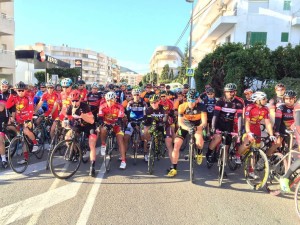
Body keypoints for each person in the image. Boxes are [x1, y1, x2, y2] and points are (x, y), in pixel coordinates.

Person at [167, 89, 207, 177]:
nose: (191, 103)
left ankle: (199, 152)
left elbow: (204, 122)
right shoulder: (182, 106)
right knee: (176, 144)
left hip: (197, 125)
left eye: (193, 100)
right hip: (185, 125)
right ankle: (173, 168)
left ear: (197, 100)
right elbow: (180, 123)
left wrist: (197, 128)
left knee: (199, 141)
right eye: (189, 100)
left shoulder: (202, 107)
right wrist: (188, 129)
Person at [237, 92, 275, 177]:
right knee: (247, 144)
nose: (266, 100)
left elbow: (268, 123)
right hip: (248, 127)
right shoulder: (250, 107)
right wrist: (248, 132)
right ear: (258, 100)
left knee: (255, 150)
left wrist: (271, 134)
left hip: (257, 128)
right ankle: (238, 155)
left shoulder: (265, 109)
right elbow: (246, 121)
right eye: (264, 99)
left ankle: (251, 171)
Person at [206, 83, 243, 164]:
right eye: (227, 92)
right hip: (219, 123)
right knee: (218, 137)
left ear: (235, 92)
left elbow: (240, 117)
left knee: (226, 147)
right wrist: (212, 127)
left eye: (231, 92)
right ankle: (208, 153)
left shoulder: (239, 102)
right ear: (225, 92)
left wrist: (239, 130)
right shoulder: (220, 101)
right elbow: (215, 115)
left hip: (229, 125)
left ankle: (222, 168)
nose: (229, 93)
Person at [65, 90, 97, 177]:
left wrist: (82, 115)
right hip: (78, 125)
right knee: (67, 137)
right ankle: (76, 151)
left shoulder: (85, 106)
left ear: (80, 99)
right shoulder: (69, 107)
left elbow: (92, 120)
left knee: (92, 143)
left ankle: (92, 166)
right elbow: (67, 119)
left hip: (89, 126)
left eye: (76, 100)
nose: (75, 102)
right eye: (73, 101)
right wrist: (66, 124)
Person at [6, 82, 38, 164]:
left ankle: (35, 143)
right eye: (18, 90)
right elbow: (7, 106)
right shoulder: (15, 97)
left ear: (25, 90)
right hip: (18, 119)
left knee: (26, 131)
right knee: (22, 139)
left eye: (22, 90)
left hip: (27, 119)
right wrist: (11, 95)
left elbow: (31, 109)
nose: (20, 92)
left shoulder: (28, 97)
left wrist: (28, 120)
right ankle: (26, 158)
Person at [98, 91, 126, 169]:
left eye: (111, 100)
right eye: (108, 100)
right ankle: (103, 144)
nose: (110, 102)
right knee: (103, 129)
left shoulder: (119, 106)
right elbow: (100, 118)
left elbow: (120, 118)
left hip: (117, 125)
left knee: (120, 140)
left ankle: (123, 161)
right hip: (107, 123)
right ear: (106, 100)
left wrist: (117, 123)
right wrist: (102, 122)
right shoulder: (102, 106)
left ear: (115, 100)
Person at [267, 90, 297, 156]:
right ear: (284, 99)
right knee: (277, 144)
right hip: (281, 128)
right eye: (287, 98)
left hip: (291, 130)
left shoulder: (296, 107)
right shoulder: (281, 107)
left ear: (294, 99)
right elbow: (278, 120)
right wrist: (277, 131)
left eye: (291, 98)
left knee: (291, 147)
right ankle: (266, 158)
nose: (289, 100)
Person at [124, 88, 147, 159]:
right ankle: (123, 154)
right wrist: (130, 121)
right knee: (126, 137)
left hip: (141, 121)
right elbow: (127, 113)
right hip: (132, 120)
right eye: (135, 95)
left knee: (145, 137)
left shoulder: (143, 103)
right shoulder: (130, 103)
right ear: (132, 95)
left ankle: (145, 153)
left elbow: (145, 113)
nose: (136, 96)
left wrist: (143, 120)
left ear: (140, 95)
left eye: (138, 95)